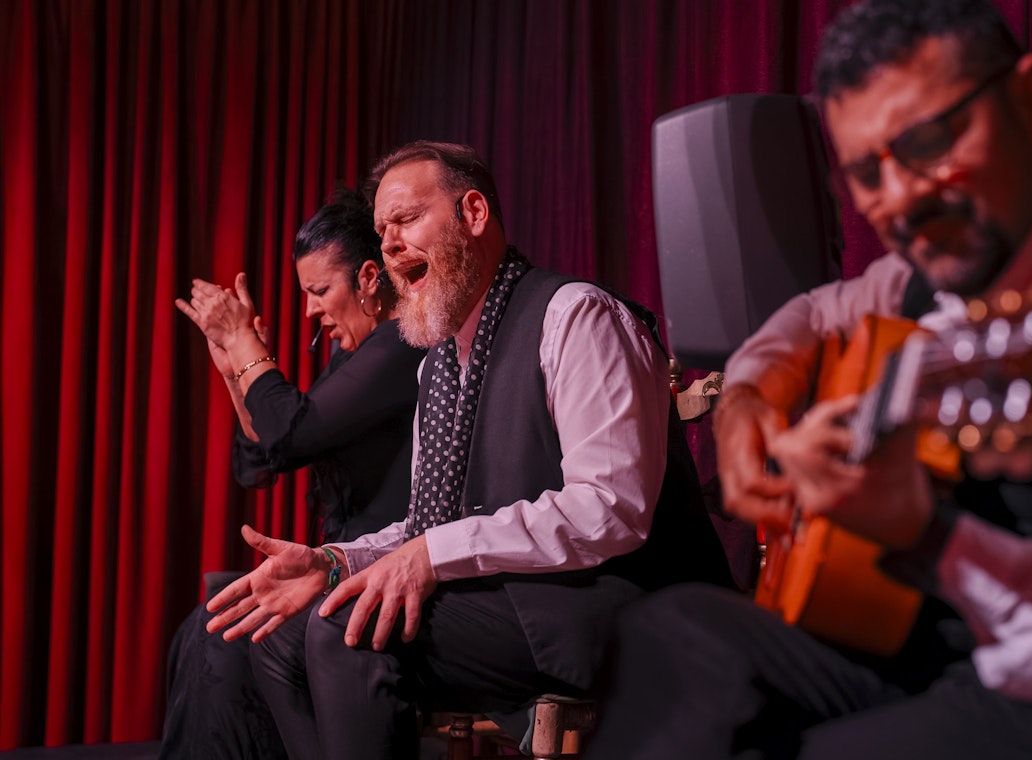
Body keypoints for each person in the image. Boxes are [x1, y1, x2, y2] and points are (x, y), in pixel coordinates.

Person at [583, 1, 1032, 758]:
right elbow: (814, 314)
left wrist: (934, 537)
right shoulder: (946, 268)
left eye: (928, 143)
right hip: (952, 651)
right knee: (675, 636)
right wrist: (748, 396)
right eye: (865, 173)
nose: (901, 198)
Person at [203, 141, 731, 760]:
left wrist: (430, 554)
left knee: (344, 633)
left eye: (406, 220)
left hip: (622, 605)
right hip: (512, 603)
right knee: (276, 638)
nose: (390, 245)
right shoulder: (440, 368)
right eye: (381, 231)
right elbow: (433, 523)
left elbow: (609, 507)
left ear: (474, 214)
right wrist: (337, 560)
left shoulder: (577, 316)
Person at [162, 190, 427, 759]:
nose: (310, 310)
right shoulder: (353, 356)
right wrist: (236, 371)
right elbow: (263, 460)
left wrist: (244, 339)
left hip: (388, 574)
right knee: (210, 621)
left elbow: (293, 431)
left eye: (318, 291)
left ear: (369, 277)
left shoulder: (402, 344)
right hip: (341, 571)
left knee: (223, 637)